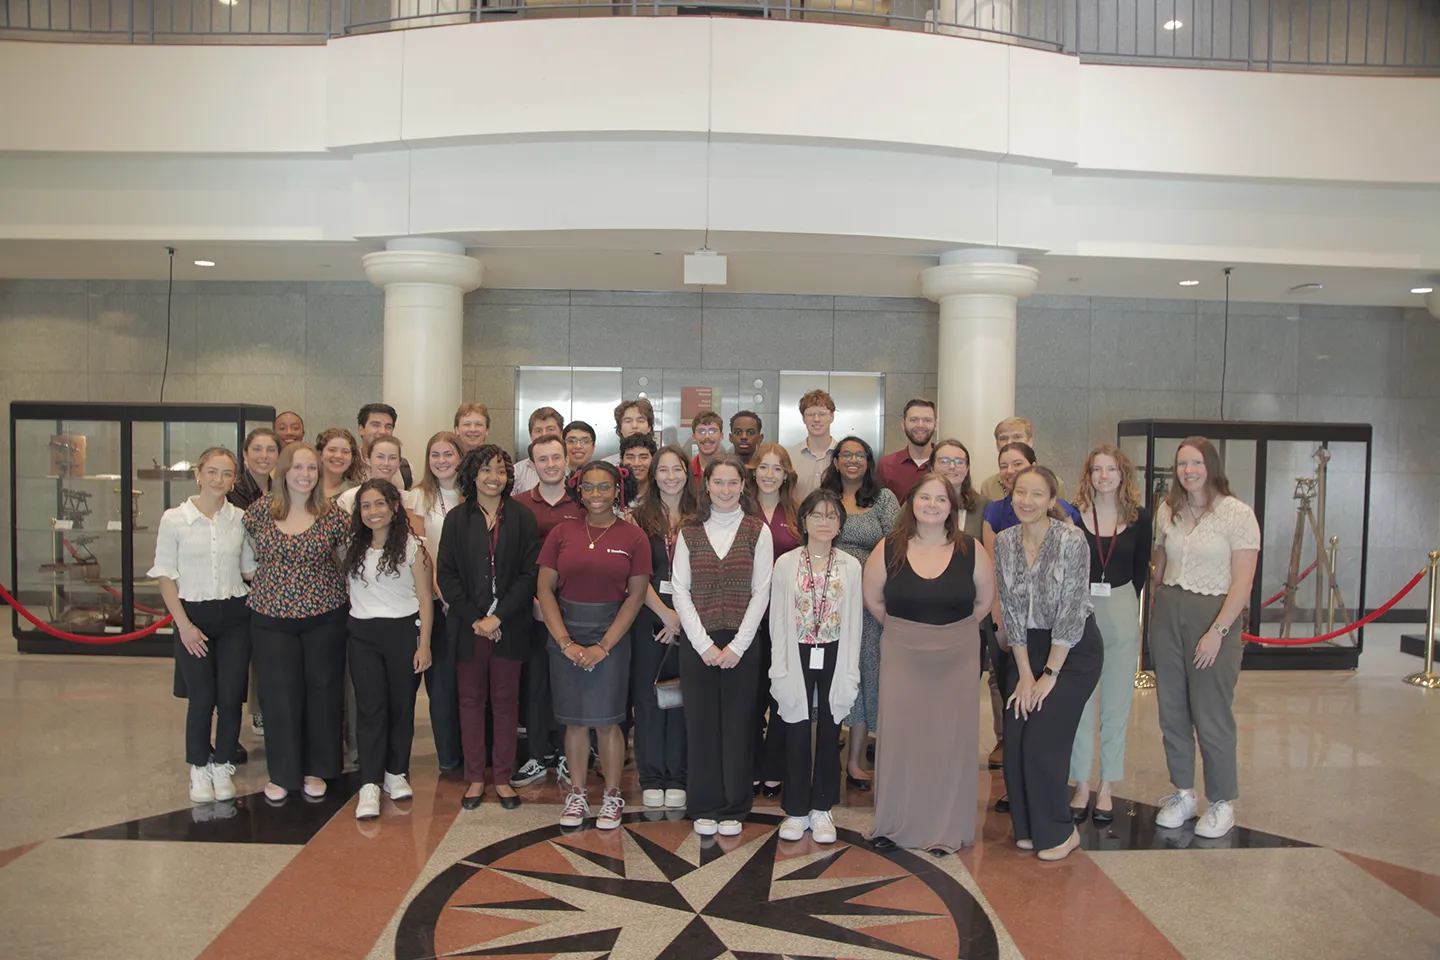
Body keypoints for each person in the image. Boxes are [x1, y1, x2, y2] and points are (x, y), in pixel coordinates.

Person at [866, 473, 995, 854]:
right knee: (901, 736)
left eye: (941, 500)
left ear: (952, 508)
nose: (933, 505)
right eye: (925, 497)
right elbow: (873, 598)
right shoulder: (887, 547)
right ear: (911, 503)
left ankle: (945, 829)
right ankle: (894, 824)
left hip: (956, 654)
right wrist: (901, 629)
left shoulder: (971, 549)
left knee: (948, 740)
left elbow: (985, 601)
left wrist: (952, 634)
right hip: (902, 651)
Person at [1150, 437, 1259, 840]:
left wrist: (1217, 631)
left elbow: (1243, 580)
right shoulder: (1169, 510)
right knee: (1172, 710)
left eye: (1196, 463)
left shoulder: (1237, 515)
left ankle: (1221, 801)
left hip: (1214, 614)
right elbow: (1160, 563)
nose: (1188, 471)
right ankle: (1183, 792)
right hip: (1170, 612)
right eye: (1182, 464)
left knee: (1212, 713)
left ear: (1210, 466)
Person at [993, 465, 1103, 861]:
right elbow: (1011, 607)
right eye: (1021, 492)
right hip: (1027, 647)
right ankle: (1029, 827)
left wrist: (1049, 675)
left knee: (1043, 739)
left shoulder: (1072, 540)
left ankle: (1059, 830)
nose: (1027, 501)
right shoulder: (1005, 541)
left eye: (1037, 494)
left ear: (1052, 500)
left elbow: (1073, 611)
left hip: (1072, 651)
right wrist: (1024, 674)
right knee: (1017, 733)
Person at [536, 461, 651, 830]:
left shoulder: (633, 537)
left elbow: (635, 597)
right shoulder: (562, 532)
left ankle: (613, 795)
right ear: (579, 490)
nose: (597, 494)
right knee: (574, 721)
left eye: (605, 487)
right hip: (565, 634)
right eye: (589, 487)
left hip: (612, 635)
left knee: (608, 720)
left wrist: (604, 645)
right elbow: (544, 589)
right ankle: (578, 794)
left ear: (617, 490)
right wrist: (565, 641)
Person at [672, 455, 775, 836]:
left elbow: (761, 591)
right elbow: (680, 590)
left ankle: (734, 804)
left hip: (742, 644)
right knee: (700, 724)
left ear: (743, 486)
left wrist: (737, 647)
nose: (726, 490)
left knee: (737, 725)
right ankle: (704, 802)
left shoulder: (756, 531)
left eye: (733, 483)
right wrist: (703, 646)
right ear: (707, 486)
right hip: (699, 644)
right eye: (719, 482)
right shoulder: (689, 531)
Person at [242, 442, 350, 804]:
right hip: (271, 617)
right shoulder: (259, 512)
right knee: (279, 695)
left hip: (324, 615)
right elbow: (245, 559)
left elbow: (347, 559)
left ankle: (317, 767)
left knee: (322, 691)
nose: (305, 475)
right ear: (283, 471)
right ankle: (283, 772)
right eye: (298, 467)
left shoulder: (333, 514)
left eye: (312, 469)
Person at [438, 446, 542, 811]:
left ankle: (502, 777)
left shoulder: (521, 517)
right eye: (485, 470)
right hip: (469, 628)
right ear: (473, 474)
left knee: (505, 702)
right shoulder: (456, 519)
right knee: (469, 701)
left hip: (509, 627)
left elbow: (531, 573)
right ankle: (475, 777)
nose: (493, 477)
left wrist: (498, 618)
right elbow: (446, 576)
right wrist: (477, 620)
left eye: (500, 470)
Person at [151, 447, 253, 805]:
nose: (219, 480)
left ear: (234, 479)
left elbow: (249, 569)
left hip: (235, 615)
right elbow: (165, 576)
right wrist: (184, 626)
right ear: (198, 474)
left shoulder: (240, 518)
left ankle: (223, 763)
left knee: (230, 696)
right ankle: (198, 766)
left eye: (226, 474)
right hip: (192, 615)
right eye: (212, 472)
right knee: (201, 697)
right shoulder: (175, 519)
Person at [769, 488, 861, 845]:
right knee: (794, 725)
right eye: (817, 515)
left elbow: (854, 621)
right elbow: (777, 619)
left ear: (840, 524)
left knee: (829, 729)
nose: (824, 522)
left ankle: (822, 808)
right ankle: (794, 809)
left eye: (832, 516)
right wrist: (779, 666)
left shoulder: (850, 565)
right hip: (797, 652)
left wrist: (850, 669)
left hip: (835, 650)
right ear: (803, 520)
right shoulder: (787, 563)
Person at [340, 480, 434, 821]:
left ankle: (396, 772)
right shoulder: (352, 545)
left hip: (403, 633)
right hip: (363, 634)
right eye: (366, 506)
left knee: (401, 706)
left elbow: (425, 599)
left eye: (380, 504)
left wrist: (424, 644)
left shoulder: (413, 548)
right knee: (370, 709)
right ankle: (370, 781)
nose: (373, 512)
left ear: (395, 507)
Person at [1069, 445, 1152, 824]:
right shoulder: (1073, 517)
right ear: (1088, 475)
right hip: (1081, 611)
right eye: (1097, 470)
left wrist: (1123, 603)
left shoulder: (1139, 518)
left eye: (1111, 470)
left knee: (1117, 704)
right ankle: (1081, 782)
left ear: (1123, 475)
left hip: (1120, 607)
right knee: (1081, 702)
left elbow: (1141, 572)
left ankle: (1107, 785)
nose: (1104, 476)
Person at [822, 436, 900, 789]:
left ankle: (856, 759)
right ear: (835, 461)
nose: (852, 460)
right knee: (832, 673)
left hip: (871, 603)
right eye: (845, 455)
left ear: (869, 461)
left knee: (867, 675)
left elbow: (898, 547)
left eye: (860, 455)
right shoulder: (825, 499)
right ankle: (825, 754)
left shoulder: (883, 500)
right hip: (828, 601)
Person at [511, 434, 585, 787]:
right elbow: (513, 562)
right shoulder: (520, 505)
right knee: (537, 682)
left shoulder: (583, 503)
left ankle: (569, 755)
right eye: (544, 459)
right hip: (534, 609)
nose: (551, 464)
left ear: (567, 460)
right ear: (533, 465)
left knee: (570, 682)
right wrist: (534, 601)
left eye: (557, 457)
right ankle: (538, 755)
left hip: (576, 608)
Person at [627, 445, 698, 810]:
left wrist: (682, 618)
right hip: (649, 618)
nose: (671, 476)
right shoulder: (637, 519)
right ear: (652, 475)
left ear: (688, 473)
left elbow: (707, 572)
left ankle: (679, 774)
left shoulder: (702, 516)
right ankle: (652, 775)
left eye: (677, 469)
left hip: (692, 622)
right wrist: (664, 615)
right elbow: (634, 574)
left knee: (684, 699)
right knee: (650, 699)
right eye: (663, 470)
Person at [932, 436, 1000, 765]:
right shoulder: (919, 502)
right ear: (932, 466)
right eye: (945, 460)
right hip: (929, 611)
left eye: (959, 461)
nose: (953, 467)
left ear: (968, 467)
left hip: (971, 611)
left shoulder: (984, 506)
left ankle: (956, 752)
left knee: (964, 684)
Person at [404, 432, 467, 774]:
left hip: (466, 600)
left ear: (461, 457)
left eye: (448, 454)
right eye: (435, 454)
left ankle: (458, 753)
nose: (441, 460)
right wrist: (440, 592)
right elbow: (419, 549)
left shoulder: (472, 494)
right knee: (438, 684)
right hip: (430, 598)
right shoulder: (417, 497)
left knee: (459, 683)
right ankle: (446, 759)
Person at [749, 442, 802, 796]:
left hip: (786, 619)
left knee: (783, 691)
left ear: (787, 475)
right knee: (750, 695)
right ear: (752, 471)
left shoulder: (798, 513)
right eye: (763, 467)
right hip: (746, 620)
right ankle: (751, 763)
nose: (769, 475)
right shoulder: (738, 508)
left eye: (777, 468)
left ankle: (774, 766)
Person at [981, 442, 1081, 554]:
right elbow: (994, 562)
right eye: (1003, 466)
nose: (1010, 470)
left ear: (1033, 466)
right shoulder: (994, 511)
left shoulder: (1060, 507)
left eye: (1017, 464)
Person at [976, 417, 1066, 513]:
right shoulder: (988, 486)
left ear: (1030, 442)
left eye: (1017, 437)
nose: (1010, 442)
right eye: (1003, 438)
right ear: (997, 445)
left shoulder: (1055, 483)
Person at [877, 399, 936, 501]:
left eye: (927, 420)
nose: (920, 425)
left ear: (935, 425)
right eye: (914, 420)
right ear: (903, 425)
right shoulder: (886, 465)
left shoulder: (947, 465)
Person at [337, 435, 409, 513]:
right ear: (368, 460)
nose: (386, 463)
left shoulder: (408, 500)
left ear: (399, 463)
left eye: (392, 458)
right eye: (380, 457)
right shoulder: (349, 498)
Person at [789, 389, 837, 499]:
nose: (816, 419)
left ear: (832, 417)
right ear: (803, 419)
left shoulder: (842, 456)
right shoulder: (790, 457)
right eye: (810, 414)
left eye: (822, 414)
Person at [357, 402, 414, 488]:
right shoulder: (348, 466)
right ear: (361, 429)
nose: (383, 431)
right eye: (376, 425)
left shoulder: (404, 469)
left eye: (388, 427)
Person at [511, 407, 565, 494]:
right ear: (531, 435)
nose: (544, 434)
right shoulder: (517, 472)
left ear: (561, 433)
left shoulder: (571, 470)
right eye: (538, 430)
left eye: (550, 429)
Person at [229, 427, 279, 511]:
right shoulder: (232, 493)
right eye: (257, 449)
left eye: (271, 450)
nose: (264, 456)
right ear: (245, 454)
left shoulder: (282, 493)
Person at [315, 427, 362, 501]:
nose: (338, 456)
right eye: (332, 450)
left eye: (345, 452)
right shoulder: (307, 486)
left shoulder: (357, 493)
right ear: (320, 454)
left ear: (352, 459)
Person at [605, 398, 655, 466]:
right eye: (628, 421)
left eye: (640, 420)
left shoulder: (661, 462)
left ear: (649, 427)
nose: (634, 426)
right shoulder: (607, 465)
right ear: (620, 428)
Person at [619, 433, 657, 506]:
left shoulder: (662, 494)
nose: (637, 463)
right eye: (630, 457)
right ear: (622, 461)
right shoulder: (613, 493)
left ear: (654, 460)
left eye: (643, 457)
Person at [689, 410, 725, 480]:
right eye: (701, 431)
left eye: (712, 431)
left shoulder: (733, 471)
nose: (707, 436)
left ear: (721, 436)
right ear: (694, 437)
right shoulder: (686, 473)